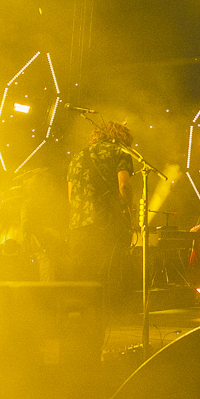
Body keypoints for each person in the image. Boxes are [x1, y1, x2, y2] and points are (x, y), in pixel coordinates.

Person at [66, 121, 136, 296]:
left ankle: (85, 308)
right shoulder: (120, 151)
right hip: (107, 223)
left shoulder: (77, 156)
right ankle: (110, 308)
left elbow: (71, 195)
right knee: (109, 271)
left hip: (79, 225)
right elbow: (124, 185)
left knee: (84, 274)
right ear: (122, 137)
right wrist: (129, 211)